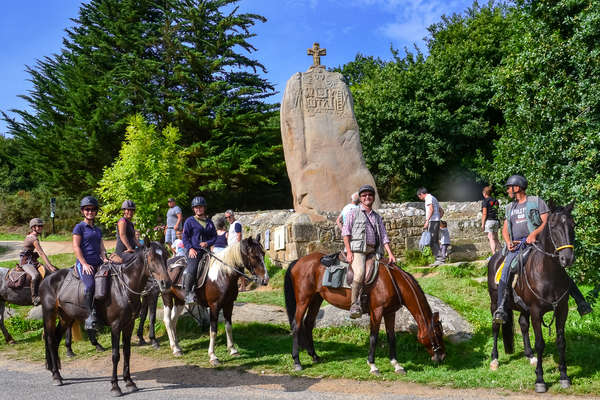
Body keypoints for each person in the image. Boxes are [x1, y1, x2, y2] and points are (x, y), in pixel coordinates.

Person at [493, 175, 591, 324]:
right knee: (506, 269)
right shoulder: (509, 207)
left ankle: (580, 301)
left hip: (536, 244)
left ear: (517, 187)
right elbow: (505, 229)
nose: (507, 190)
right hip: (517, 246)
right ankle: (501, 307)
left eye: (509, 187)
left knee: (558, 270)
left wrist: (533, 234)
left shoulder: (536, 202)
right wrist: (508, 241)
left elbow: (546, 221)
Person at [342, 184, 396, 319]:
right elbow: (345, 233)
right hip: (358, 251)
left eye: (370, 195)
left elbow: (384, 236)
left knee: (385, 271)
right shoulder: (353, 213)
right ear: (360, 198)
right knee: (359, 273)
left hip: (373, 251)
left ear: (373, 197)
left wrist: (390, 253)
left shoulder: (377, 217)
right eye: (364, 195)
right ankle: (354, 304)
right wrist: (349, 252)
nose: (367, 197)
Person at [73, 196, 109, 331]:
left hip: (98, 261)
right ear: (83, 211)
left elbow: (101, 247)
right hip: (84, 262)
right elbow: (76, 247)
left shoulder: (97, 230)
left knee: (112, 278)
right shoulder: (79, 227)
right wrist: (84, 264)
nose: (90, 212)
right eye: (87, 209)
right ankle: (89, 315)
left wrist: (104, 258)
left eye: (93, 209)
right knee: (90, 285)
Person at [182, 196, 216, 304]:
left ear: (204, 208)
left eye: (200, 207)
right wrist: (190, 248)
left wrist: (208, 243)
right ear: (193, 209)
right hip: (194, 251)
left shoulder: (210, 223)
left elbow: (214, 237)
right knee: (192, 268)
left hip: (206, 251)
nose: (198, 209)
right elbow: (185, 237)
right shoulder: (189, 221)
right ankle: (187, 294)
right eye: (196, 207)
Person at [19, 218, 57, 305]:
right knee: (35, 275)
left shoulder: (33, 236)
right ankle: (34, 298)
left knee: (45, 270)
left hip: (31, 261)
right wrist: (50, 265)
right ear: (33, 228)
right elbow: (41, 253)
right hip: (25, 262)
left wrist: (48, 266)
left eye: (41, 226)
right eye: (38, 226)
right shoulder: (33, 238)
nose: (41, 228)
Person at [417, 187, 444, 266]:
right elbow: (441, 211)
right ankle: (439, 259)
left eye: (419, 196)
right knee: (434, 240)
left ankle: (439, 259)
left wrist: (427, 221)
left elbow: (431, 209)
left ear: (421, 194)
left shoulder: (428, 198)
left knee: (432, 241)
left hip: (432, 222)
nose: (420, 198)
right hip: (435, 221)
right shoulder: (433, 198)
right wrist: (438, 218)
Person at [481, 186, 501, 257]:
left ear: (484, 193)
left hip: (489, 221)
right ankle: (502, 253)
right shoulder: (495, 200)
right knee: (496, 238)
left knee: (491, 238)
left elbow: (484, 213)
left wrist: (483, 224)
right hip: (496, 221)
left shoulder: (485, 201)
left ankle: (494, 255)